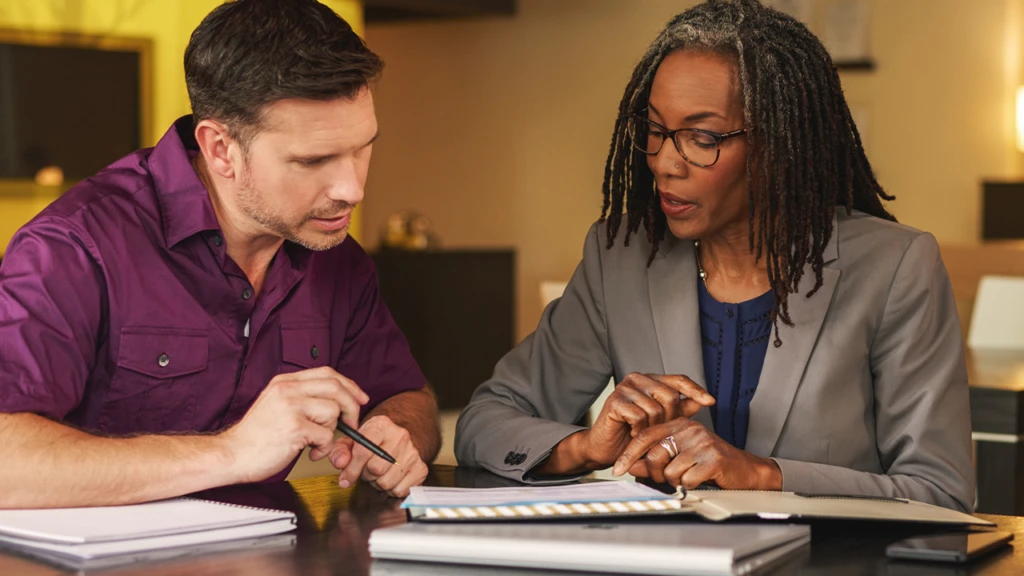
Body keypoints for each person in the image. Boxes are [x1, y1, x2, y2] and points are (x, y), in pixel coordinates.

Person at [455, 0, 974, 512]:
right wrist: (585, 446)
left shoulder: (897, 266)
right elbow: (486, 422)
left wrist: (762, 475)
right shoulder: (621, 255)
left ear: (779, 144)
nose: (664, 163)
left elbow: (940, 490)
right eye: (656, 131)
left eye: (701, 137)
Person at [0, 0, 439, 508]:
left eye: (363, 148)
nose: (352, 188)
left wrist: (397, 432)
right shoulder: (74, 246)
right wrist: (232, 452)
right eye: (314, 160)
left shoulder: (337, 257)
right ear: (220, 149)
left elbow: (409, 395)